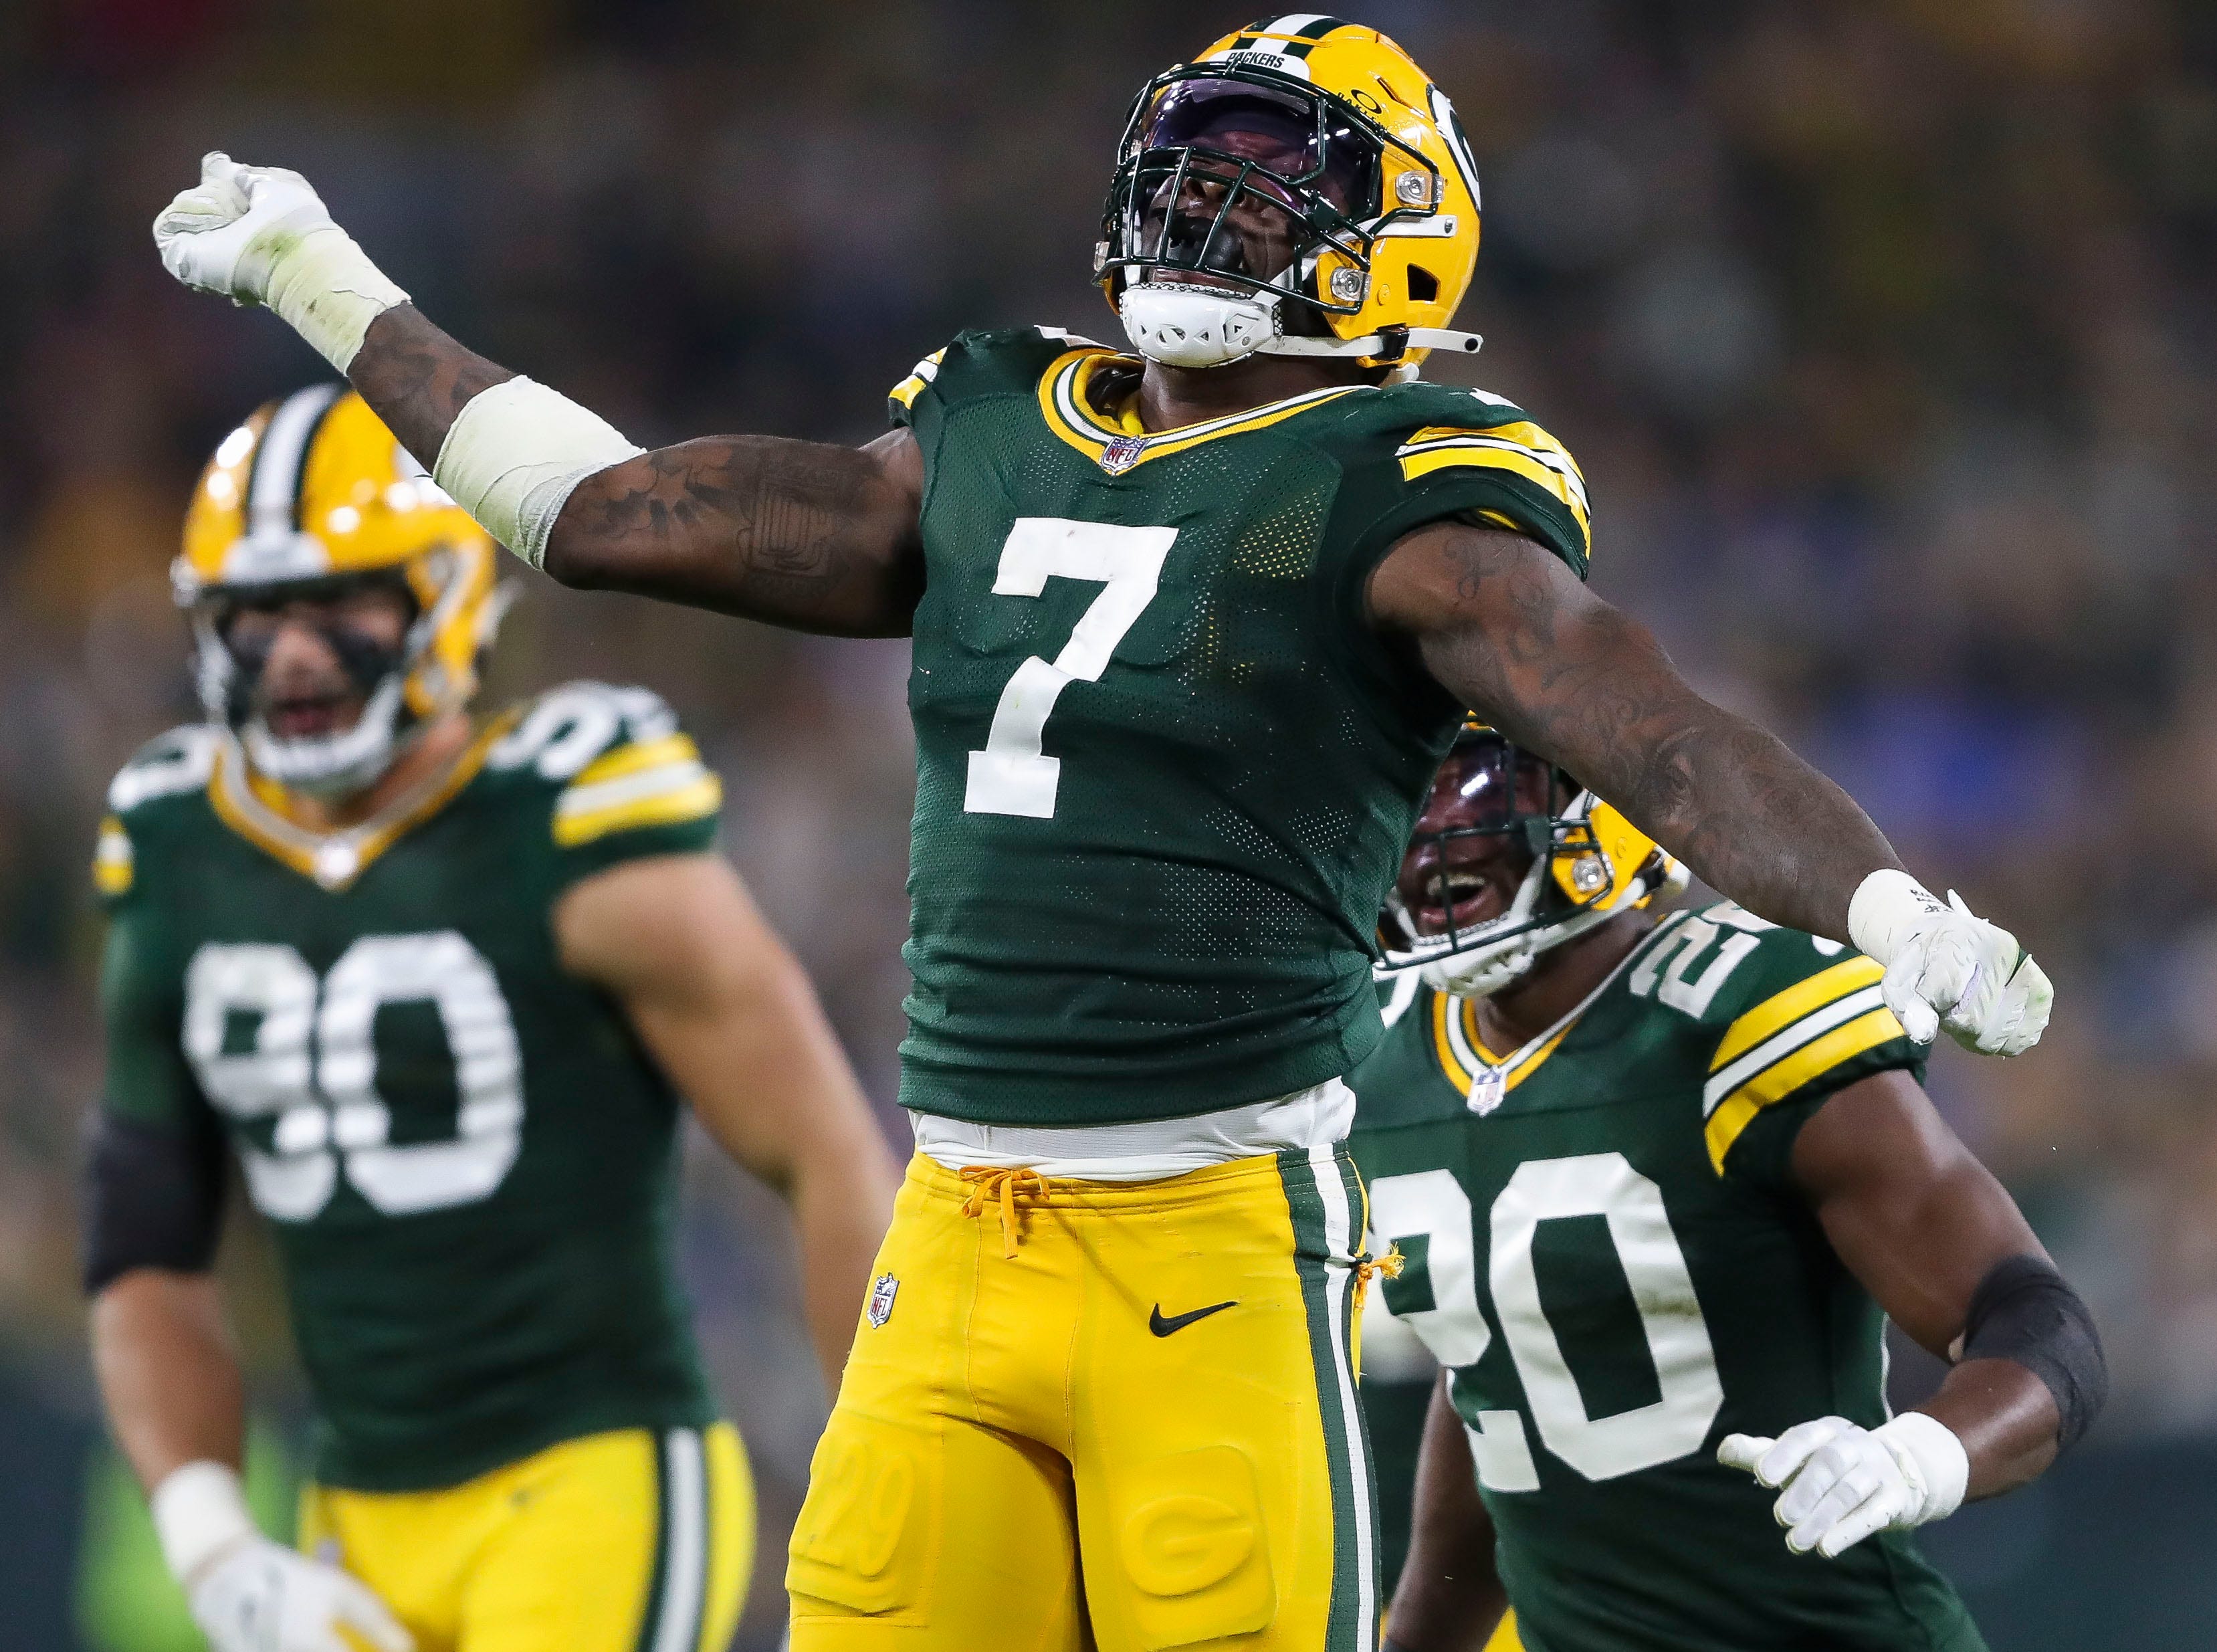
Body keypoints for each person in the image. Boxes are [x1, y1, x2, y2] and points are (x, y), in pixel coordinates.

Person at [150, 19, 2053, 1649]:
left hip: (1209, 1235)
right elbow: (613, 513)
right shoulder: (997, 420)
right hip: (955, 1226)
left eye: (1267, 181)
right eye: (1189, 168)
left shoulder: (1397, 479)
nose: (1205, 211)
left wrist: (1879, 895)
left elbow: (1637, 716)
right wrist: (334, 285)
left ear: (1390, 245)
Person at [85, 387, 900, 1652]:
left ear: (445, 591)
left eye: (338, 605)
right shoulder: (176, 841)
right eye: (255, 614)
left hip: (596, 1476)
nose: (293, 655)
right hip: (352, 1504)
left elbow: (824, 1149)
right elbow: (144, 1233)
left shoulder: (571, 816)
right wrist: (216, 1545)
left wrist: (899, 1471)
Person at [1353, 724, 2105, 1651]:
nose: (1431, 828)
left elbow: (2039, 1322)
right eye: (1414, 787)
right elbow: (1498, 1378)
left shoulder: (1736, 1019)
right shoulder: (1383, 1061)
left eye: (1471, 783)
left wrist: (1915, 1459)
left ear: (1600, 802)